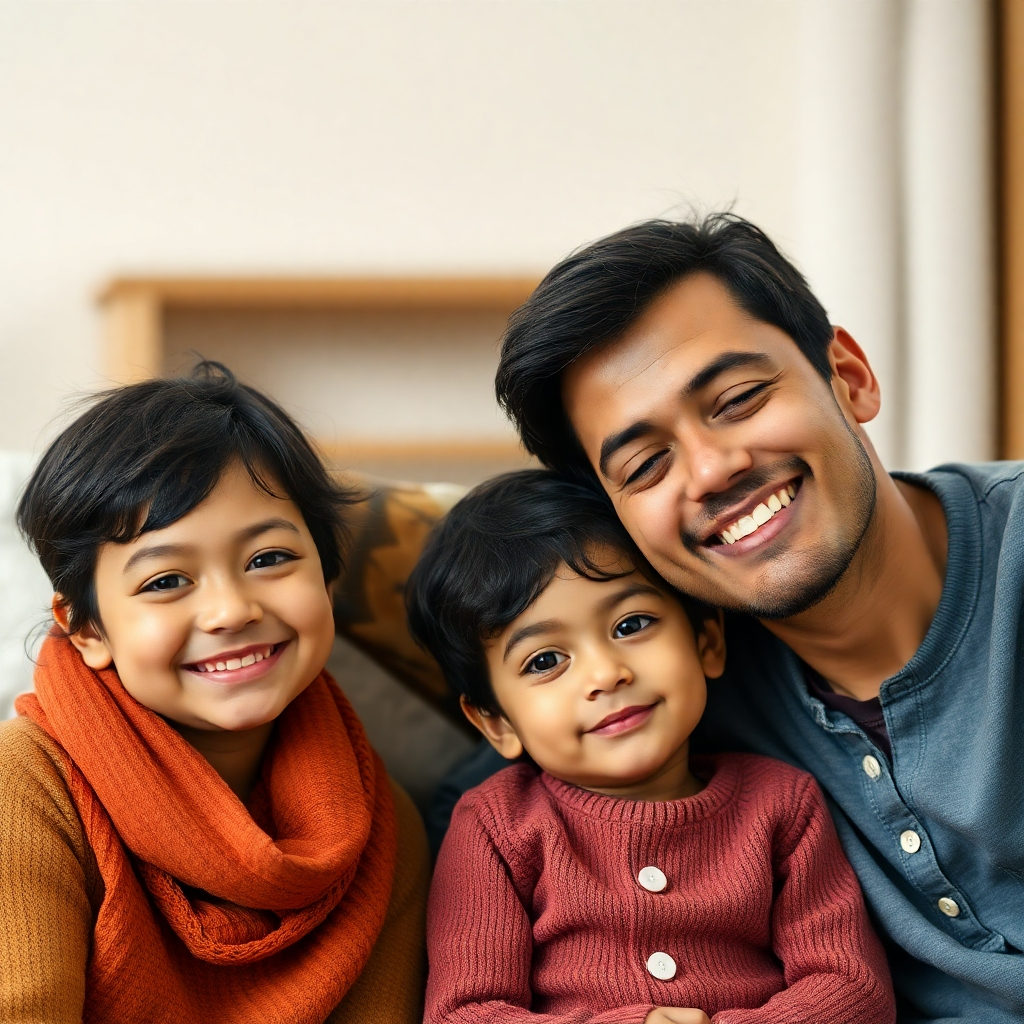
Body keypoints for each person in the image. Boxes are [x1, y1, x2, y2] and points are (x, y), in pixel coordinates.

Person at [481, 214, 1024, 1022]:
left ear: (849, 375)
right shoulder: (671, 684)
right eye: (645, 465)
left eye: (737, 400)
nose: (712, 471)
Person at [0, 362, 429, 1024]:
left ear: (326, 573)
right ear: (85, 628)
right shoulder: (26, 784)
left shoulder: (383, 820)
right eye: (166, 581)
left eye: (268, 560)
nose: (230, 611)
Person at [406, 469, 896, 1024]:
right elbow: (464, 1013)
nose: (606, 673)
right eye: (545, 661)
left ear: (706, 642)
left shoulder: (783, 803)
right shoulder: (495, 827)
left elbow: (852, 990)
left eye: (631, 624)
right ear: (496, 723)